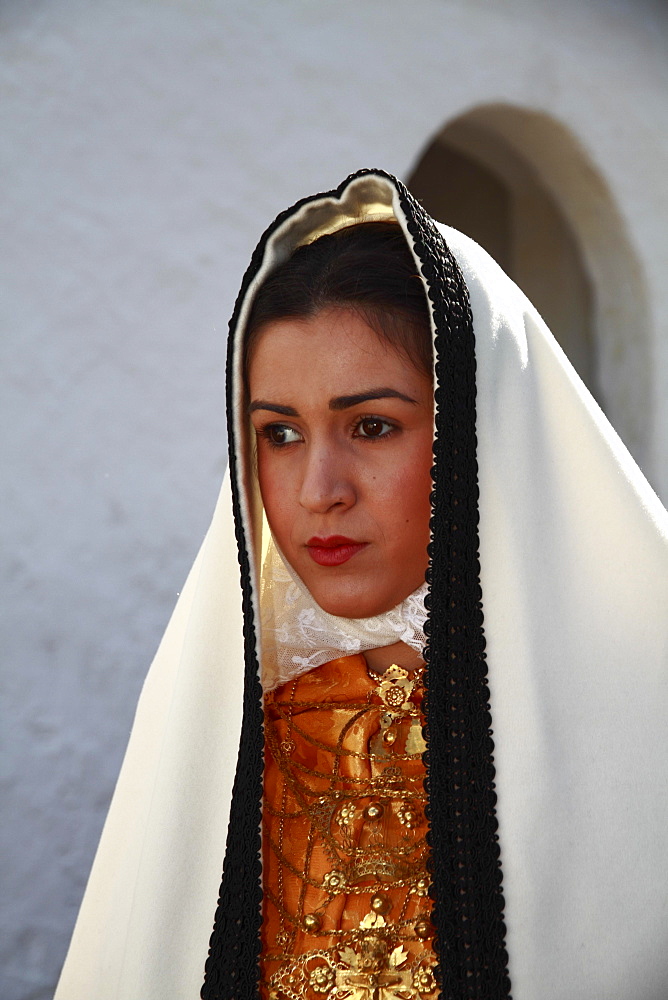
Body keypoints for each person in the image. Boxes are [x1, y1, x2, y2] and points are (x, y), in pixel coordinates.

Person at [55, 169, 668, 1000]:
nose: (318, 490)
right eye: (277, 433)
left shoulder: (639, 723)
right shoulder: (217, 731)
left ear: (479, 432)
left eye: (372, 426)